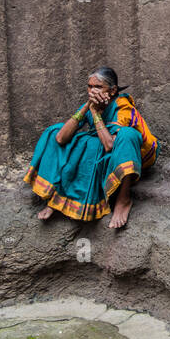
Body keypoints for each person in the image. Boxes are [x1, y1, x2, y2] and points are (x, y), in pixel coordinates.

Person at [25, 67, 157, 230]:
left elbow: (110, 145)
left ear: (113, 90)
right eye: (89, 86)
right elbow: (61, 138)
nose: (92, 91)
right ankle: (57, 198)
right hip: (102, 154)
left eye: (98, 87)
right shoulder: (92, 104)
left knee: (126, 135)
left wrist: (94, 113)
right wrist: (88, 106)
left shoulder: (123, 107)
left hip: (128, 158)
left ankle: (123, 199)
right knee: (57, 132)